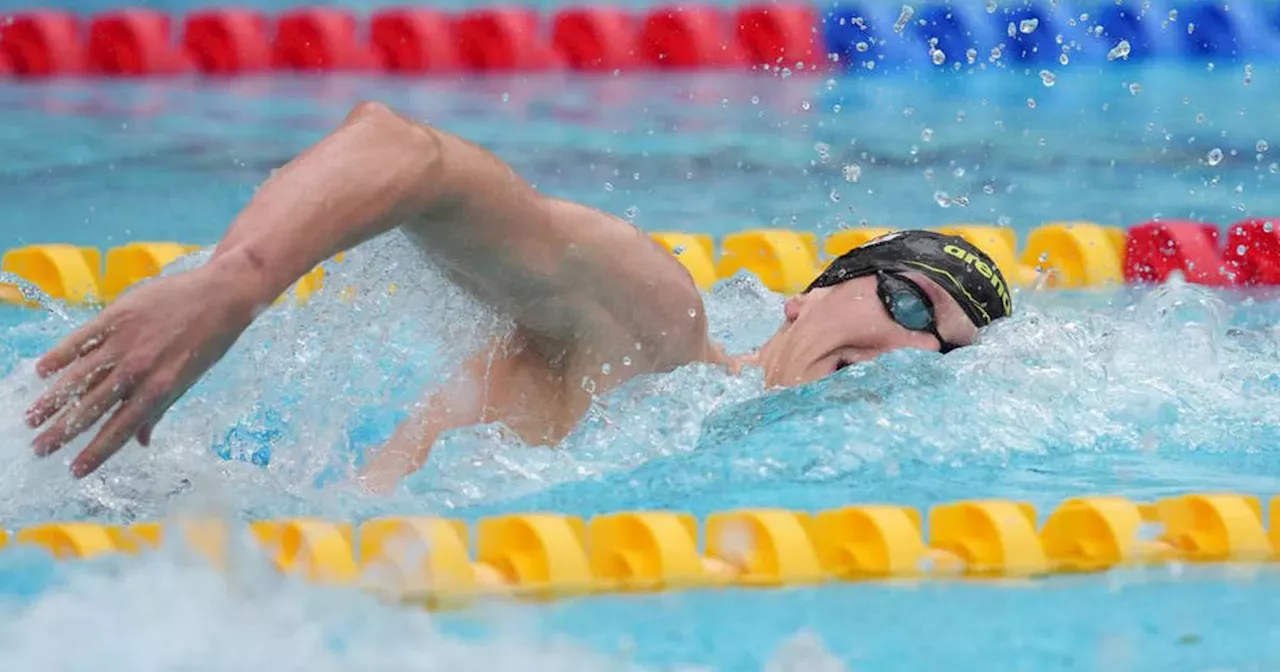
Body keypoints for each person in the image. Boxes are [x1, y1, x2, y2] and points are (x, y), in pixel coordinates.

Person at [21, 101, 1013, 491]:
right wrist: (228, 289)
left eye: (947, 351)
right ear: (807, 295)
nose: (915, 351)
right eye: (913, 305)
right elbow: (404, 154)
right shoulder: (648, 337)